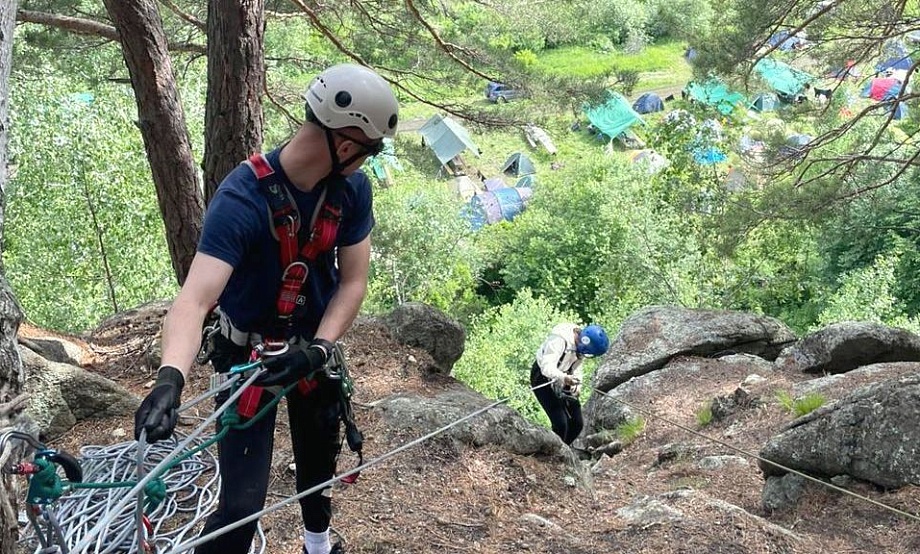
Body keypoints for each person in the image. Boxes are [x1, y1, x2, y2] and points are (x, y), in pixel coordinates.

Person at [133, 63, 399, 554]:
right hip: (245, 361)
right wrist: (170, 379)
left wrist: (320, 350)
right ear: (345, 145)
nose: (365, 163)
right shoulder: (242, 198)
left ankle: (317, 545)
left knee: (318, 470)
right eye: (367, 152)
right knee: (241, 506)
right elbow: (195, 299)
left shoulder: (352, 193)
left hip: (311, 356)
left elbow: (353, 282)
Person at [531, 323, 609, 445]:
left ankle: (563, 450)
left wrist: (576, 386)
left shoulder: (581, 346)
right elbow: (546, 367)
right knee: (561, 423)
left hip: (565, 378)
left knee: (577, 424)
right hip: (543, 377)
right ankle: (552, 453)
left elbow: (577, 367)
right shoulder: (560, 340)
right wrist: (563, 377)